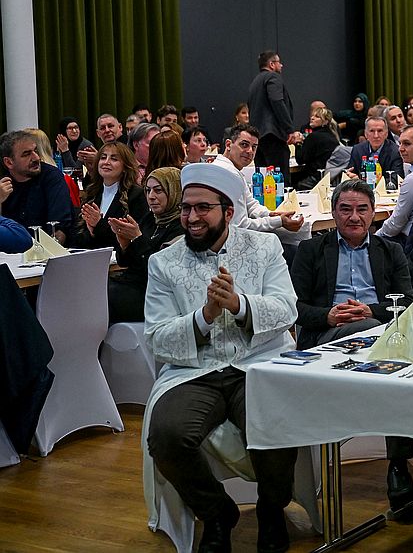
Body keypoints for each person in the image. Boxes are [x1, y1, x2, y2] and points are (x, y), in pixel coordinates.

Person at [144, 163, 298, 553]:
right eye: (186, 208)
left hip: (257, 363)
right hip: (195, 371)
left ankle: (271, 510)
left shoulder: (265, 247)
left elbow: (287, 309)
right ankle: (216, 514)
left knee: (277, 423)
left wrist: (239, 304)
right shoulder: (163, 263)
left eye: (203, 208)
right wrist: (205, 315)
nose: (192, 217)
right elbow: (157, 337)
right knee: (166, 435)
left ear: (228, 212)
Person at [288, 179, 413, 512]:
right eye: (345, 209)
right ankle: (398, 465)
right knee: (392, 360)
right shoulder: (311, 250)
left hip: (375, 332)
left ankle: (399, 462)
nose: (354, 217)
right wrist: (329, 315)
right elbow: (293, 307)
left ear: (374, 213)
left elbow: (407, 301)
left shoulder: (390, 250)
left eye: (362, 209)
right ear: (333, 213)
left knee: (388, 360)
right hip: (329, 338)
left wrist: (370, 311)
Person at [106, 167, 184, 324]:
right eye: (148, 190)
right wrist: (124, 244)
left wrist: (137, 238)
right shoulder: (150, 218)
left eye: (158, 191)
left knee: (101, 296)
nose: (151, 196)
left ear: (175, 191)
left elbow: (159, 271)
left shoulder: (181, 226)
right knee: (91, 287)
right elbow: (125, 262)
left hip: (155, 294)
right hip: (133, 284)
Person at [213, 124, 307, 240]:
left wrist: (271, 214)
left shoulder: (232, 170)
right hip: (230, 242)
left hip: (232, 237)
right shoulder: (227, 173)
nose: (250, 151)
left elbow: (251, 205)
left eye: (254, 147)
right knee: (296, 242)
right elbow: (241, 226)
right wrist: (279, 221)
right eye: (244, 145)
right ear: (228, 145)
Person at [70, 143, 149, 252]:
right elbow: (79, 237)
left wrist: (98, 225)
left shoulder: (136, 195)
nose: (106, 162)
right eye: (103, 157)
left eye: (114, 159)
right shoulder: (92, 192)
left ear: (125, 167)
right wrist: (91, 232)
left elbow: (132, 240)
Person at [0, 129, 74, 243]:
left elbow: (59, 228)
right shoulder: (3, 183)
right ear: (9, 162)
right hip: (10, 251)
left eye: (35, 151)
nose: (36, 158)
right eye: (26, 154)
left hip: (47, 249)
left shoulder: (52, 177)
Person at [247, 50, 297, 177]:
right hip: (273, 135)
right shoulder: (273, 77)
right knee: (280, 178)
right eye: (279, 62)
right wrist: (289, 129)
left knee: (264, 179)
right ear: (271, 64)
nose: (281, 65)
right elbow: (277, 101)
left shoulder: (255, 82)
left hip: (258, 137)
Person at [296, 107, 340, 189]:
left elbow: (300, 160)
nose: (312, 118)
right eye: (312, 116)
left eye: (317, 117)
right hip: (330, 177)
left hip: (315, 179)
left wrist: (298, 143)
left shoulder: (314, 137)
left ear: (325, 121)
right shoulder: (333, 135)